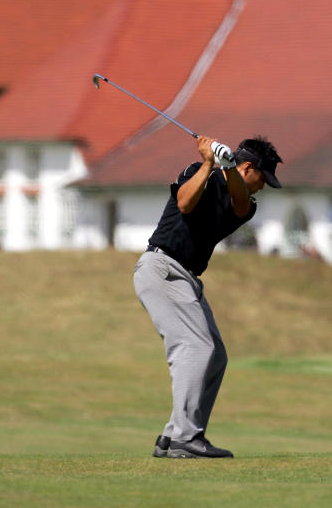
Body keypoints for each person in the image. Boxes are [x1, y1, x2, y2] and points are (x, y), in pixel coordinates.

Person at [134, 134, 282, 459]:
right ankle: (186, 437)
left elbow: (241, 202)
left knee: (216, 356)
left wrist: (226, 167)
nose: (263, 186)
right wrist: (209, 163)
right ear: (248, 168)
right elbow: (185, 203)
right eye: (262, 178)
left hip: (186, 277)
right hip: (163, 267)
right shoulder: (197, 172)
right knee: (196, 346)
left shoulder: (245, 202)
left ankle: (175, 434)